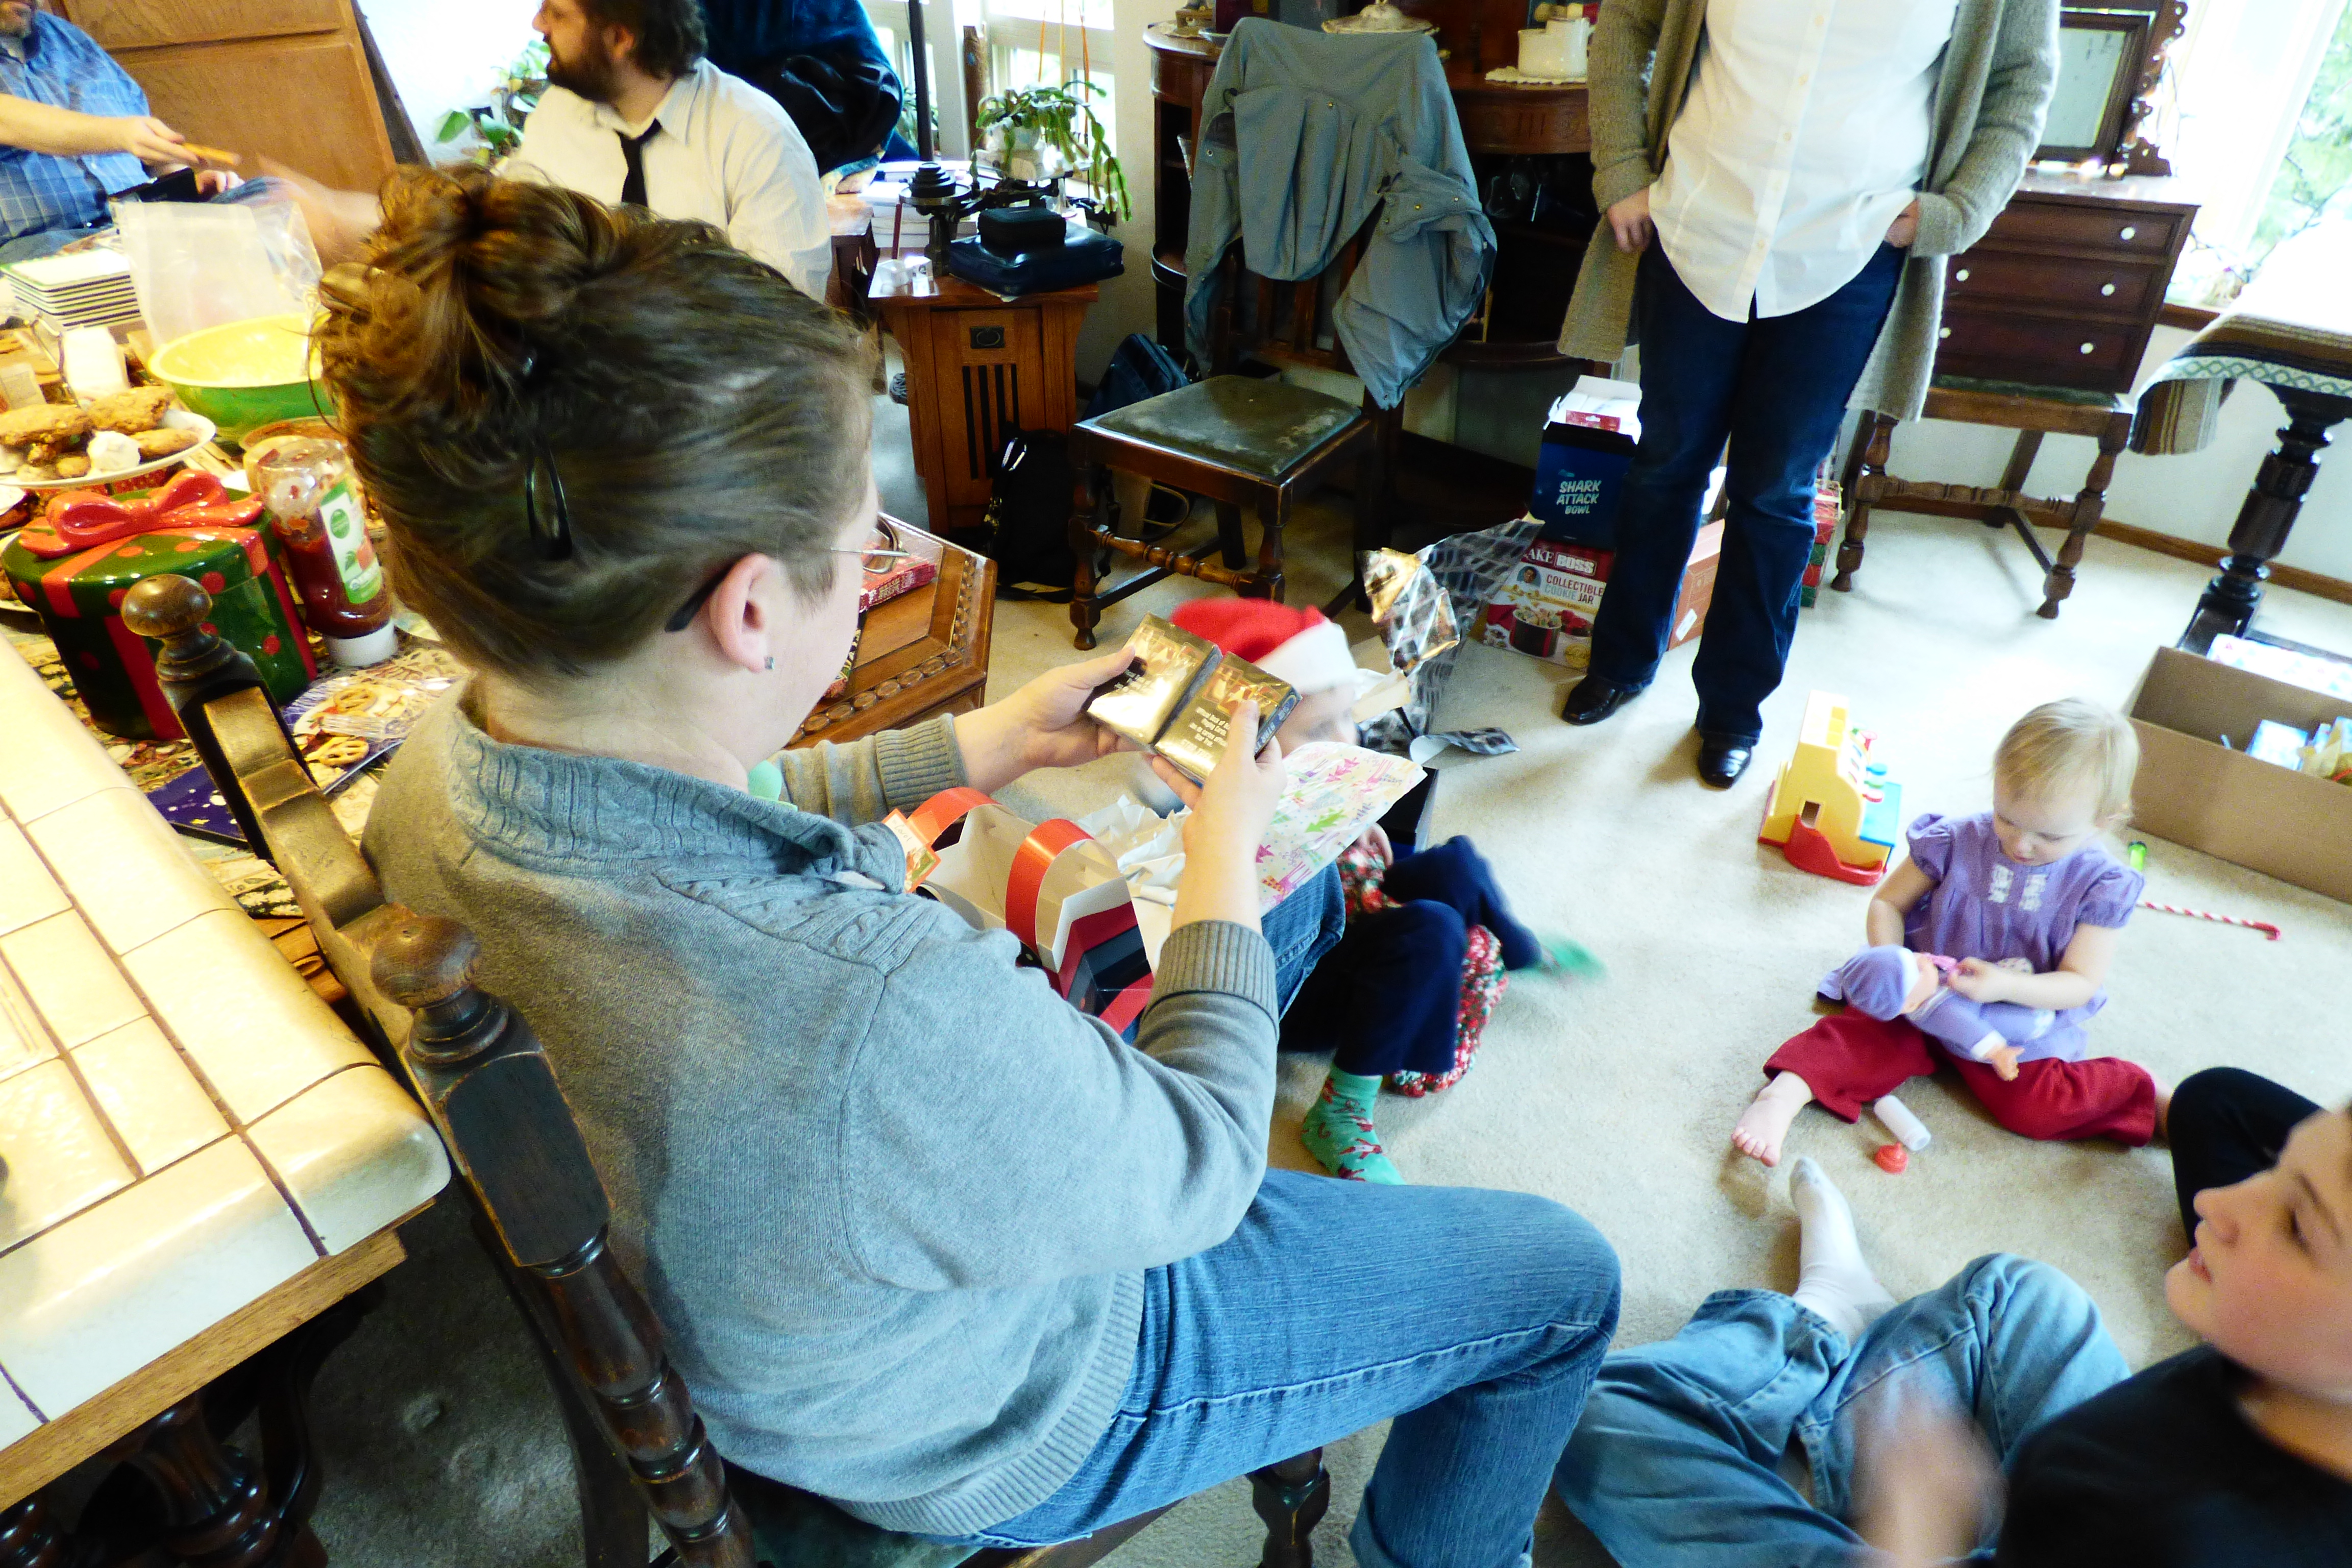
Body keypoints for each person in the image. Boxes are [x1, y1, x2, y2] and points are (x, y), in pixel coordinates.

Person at [332, 166, 1621, 1568]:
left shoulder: (435, 768)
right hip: (1009, 1406)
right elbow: (1198, 1175)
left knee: (1294, 910)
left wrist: (980, 745)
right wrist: (1220, 861)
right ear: (751, 610)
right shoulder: (873, 997)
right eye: (865, 544)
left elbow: (711, 809)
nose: (875, 563)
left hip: (784, 1303)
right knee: (1562, 1278)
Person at [1554, 0, 2061, 787]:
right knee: (1666, 464)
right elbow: (1625, 24)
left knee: (1778, 489)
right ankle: (1621, 662)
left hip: (1849, 251)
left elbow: (2020, 82)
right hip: (1698, 226)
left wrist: (1957, 212)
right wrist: (1621, 169)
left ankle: (1732, 710)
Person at [1553, 1073, 2352, 1566]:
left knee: (1598, 1415)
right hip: (2049, 1509)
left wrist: (1915, 1537)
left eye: (2297, 1225)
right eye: (2277, 1171)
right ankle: (1837, 1343)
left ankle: (1821, 1326)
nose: (2217, 1199)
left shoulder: (2189, 1543)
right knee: (2020, 1293)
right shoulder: (2301, 1374)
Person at [1156, 598, 1561, 1185]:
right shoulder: (1200, 819)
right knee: (1431, 932)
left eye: (1349, 716)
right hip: (1279, 987)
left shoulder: (1294, 781)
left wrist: (1349, 819)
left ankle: (1519, 950)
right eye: (1320, 729)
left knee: (1455, 864)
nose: (1347, 737)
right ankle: (1342, 1111)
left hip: (1338, 910)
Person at [1732, 698, 2163, 1166]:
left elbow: (2080, 983)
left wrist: (2004, 986)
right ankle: (1784, 1095)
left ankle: (2149, 1097)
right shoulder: (1955, 839)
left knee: (2041, 1106)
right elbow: (1888, 903)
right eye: (2007, 818)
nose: (2020, 844)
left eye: (2050, 836)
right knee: (1856, 1039)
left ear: (2106, 819)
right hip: (1924, 998)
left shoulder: (2102, 885)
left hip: (2013, 1021)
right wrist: (1897, 965)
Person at [284, 0, 831, 298]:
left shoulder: (756, 137)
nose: (537, 22)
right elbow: (496, 215)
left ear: (620, 38)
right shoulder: (562, 112)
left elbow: (784, 324)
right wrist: (348, 219)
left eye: (557, 11)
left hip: (717, 421)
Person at [0, 0, 227, 262]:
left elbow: (142, 133)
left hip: (140, 222)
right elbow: (8, 119)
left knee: (260, 202)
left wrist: (182, 186)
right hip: (36, 245)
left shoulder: (68, 38)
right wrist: (120, 135)